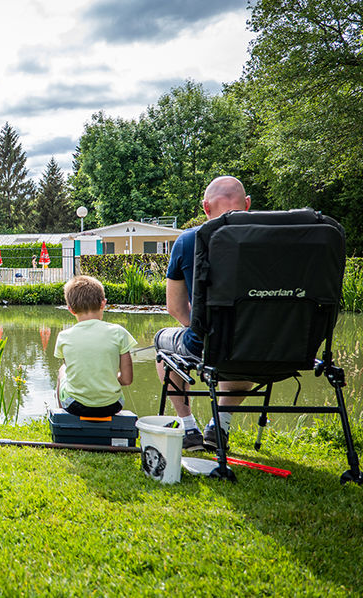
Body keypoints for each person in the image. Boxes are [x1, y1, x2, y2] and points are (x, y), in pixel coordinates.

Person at [154, 175, 253, 451]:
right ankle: (220, 424)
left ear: (205, 207)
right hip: (272, 346)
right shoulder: (279, 241)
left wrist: (203, 328)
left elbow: (174, 307)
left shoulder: (188, 241)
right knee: (245, 345)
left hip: (207, 345)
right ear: (246, 204)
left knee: (163, 343)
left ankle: (189, 428)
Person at [54, 275, 136, 417]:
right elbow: (127, 380)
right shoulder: (119, 332)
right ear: (103, 304)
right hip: (112, 406)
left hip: (75, 406)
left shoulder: (64, 336)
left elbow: (73, 372)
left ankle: (64, 417)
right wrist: (109, 377)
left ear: (71, 309)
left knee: (62, 370)